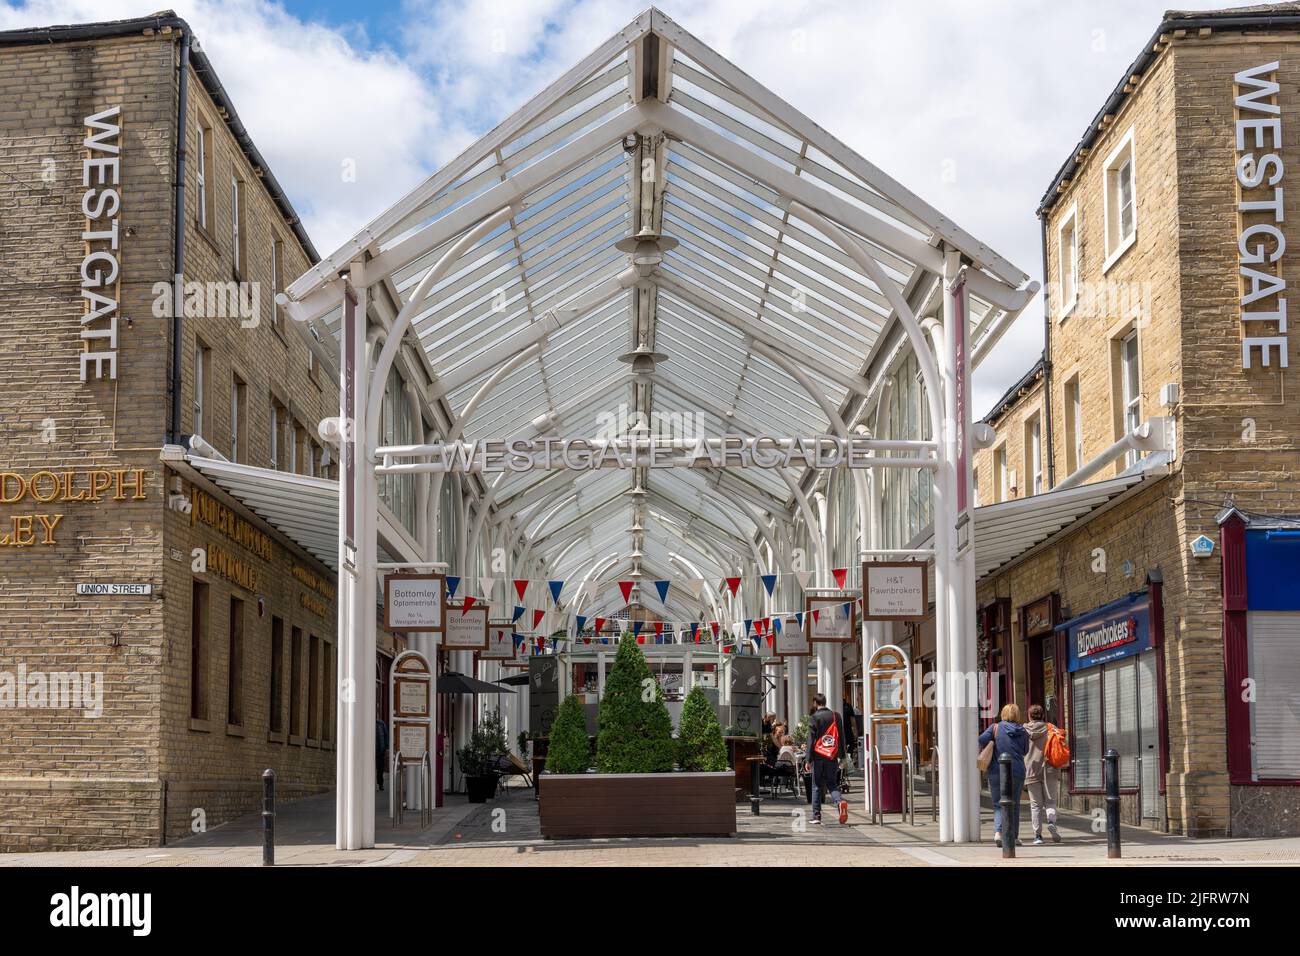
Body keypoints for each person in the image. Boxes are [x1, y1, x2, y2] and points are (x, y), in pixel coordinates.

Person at [978, 703, 1029, 846]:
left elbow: (981, 739)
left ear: (1003, 714)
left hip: (996, 770)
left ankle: (999, 833)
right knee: (1015, 804)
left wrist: (995, 741)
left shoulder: (995, 727)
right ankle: (1013, 836)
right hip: (1018, 771)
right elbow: (1025, 751)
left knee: (998, 804)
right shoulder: (1023, 732)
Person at [804, 693, 848, 825]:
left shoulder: (814, 717)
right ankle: (840, 802)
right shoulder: (836, 716)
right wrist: (842, 756)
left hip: (818, 756)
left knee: (817, 785)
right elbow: (841, 736)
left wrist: (808, 759)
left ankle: (816, 816)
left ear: (815, 703)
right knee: (832, 783)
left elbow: (811, 740)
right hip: (832, 755)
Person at [1023, 704, 1061, 845]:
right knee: (1050, 801)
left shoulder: (1024, 730)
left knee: (1035, 805)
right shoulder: (1050, 728)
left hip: (1031, 769)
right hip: (1049, 768)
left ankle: (1038, 836)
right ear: (1042, 715)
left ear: (1029, 716)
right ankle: (1051, 822)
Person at [376, 717, 389, 792]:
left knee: (380, 768)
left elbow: (386, 735)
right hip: (371, 749)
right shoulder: (367, 723)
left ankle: (380, 784)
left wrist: (386, 747)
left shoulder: (381, 723)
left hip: (381, 749)